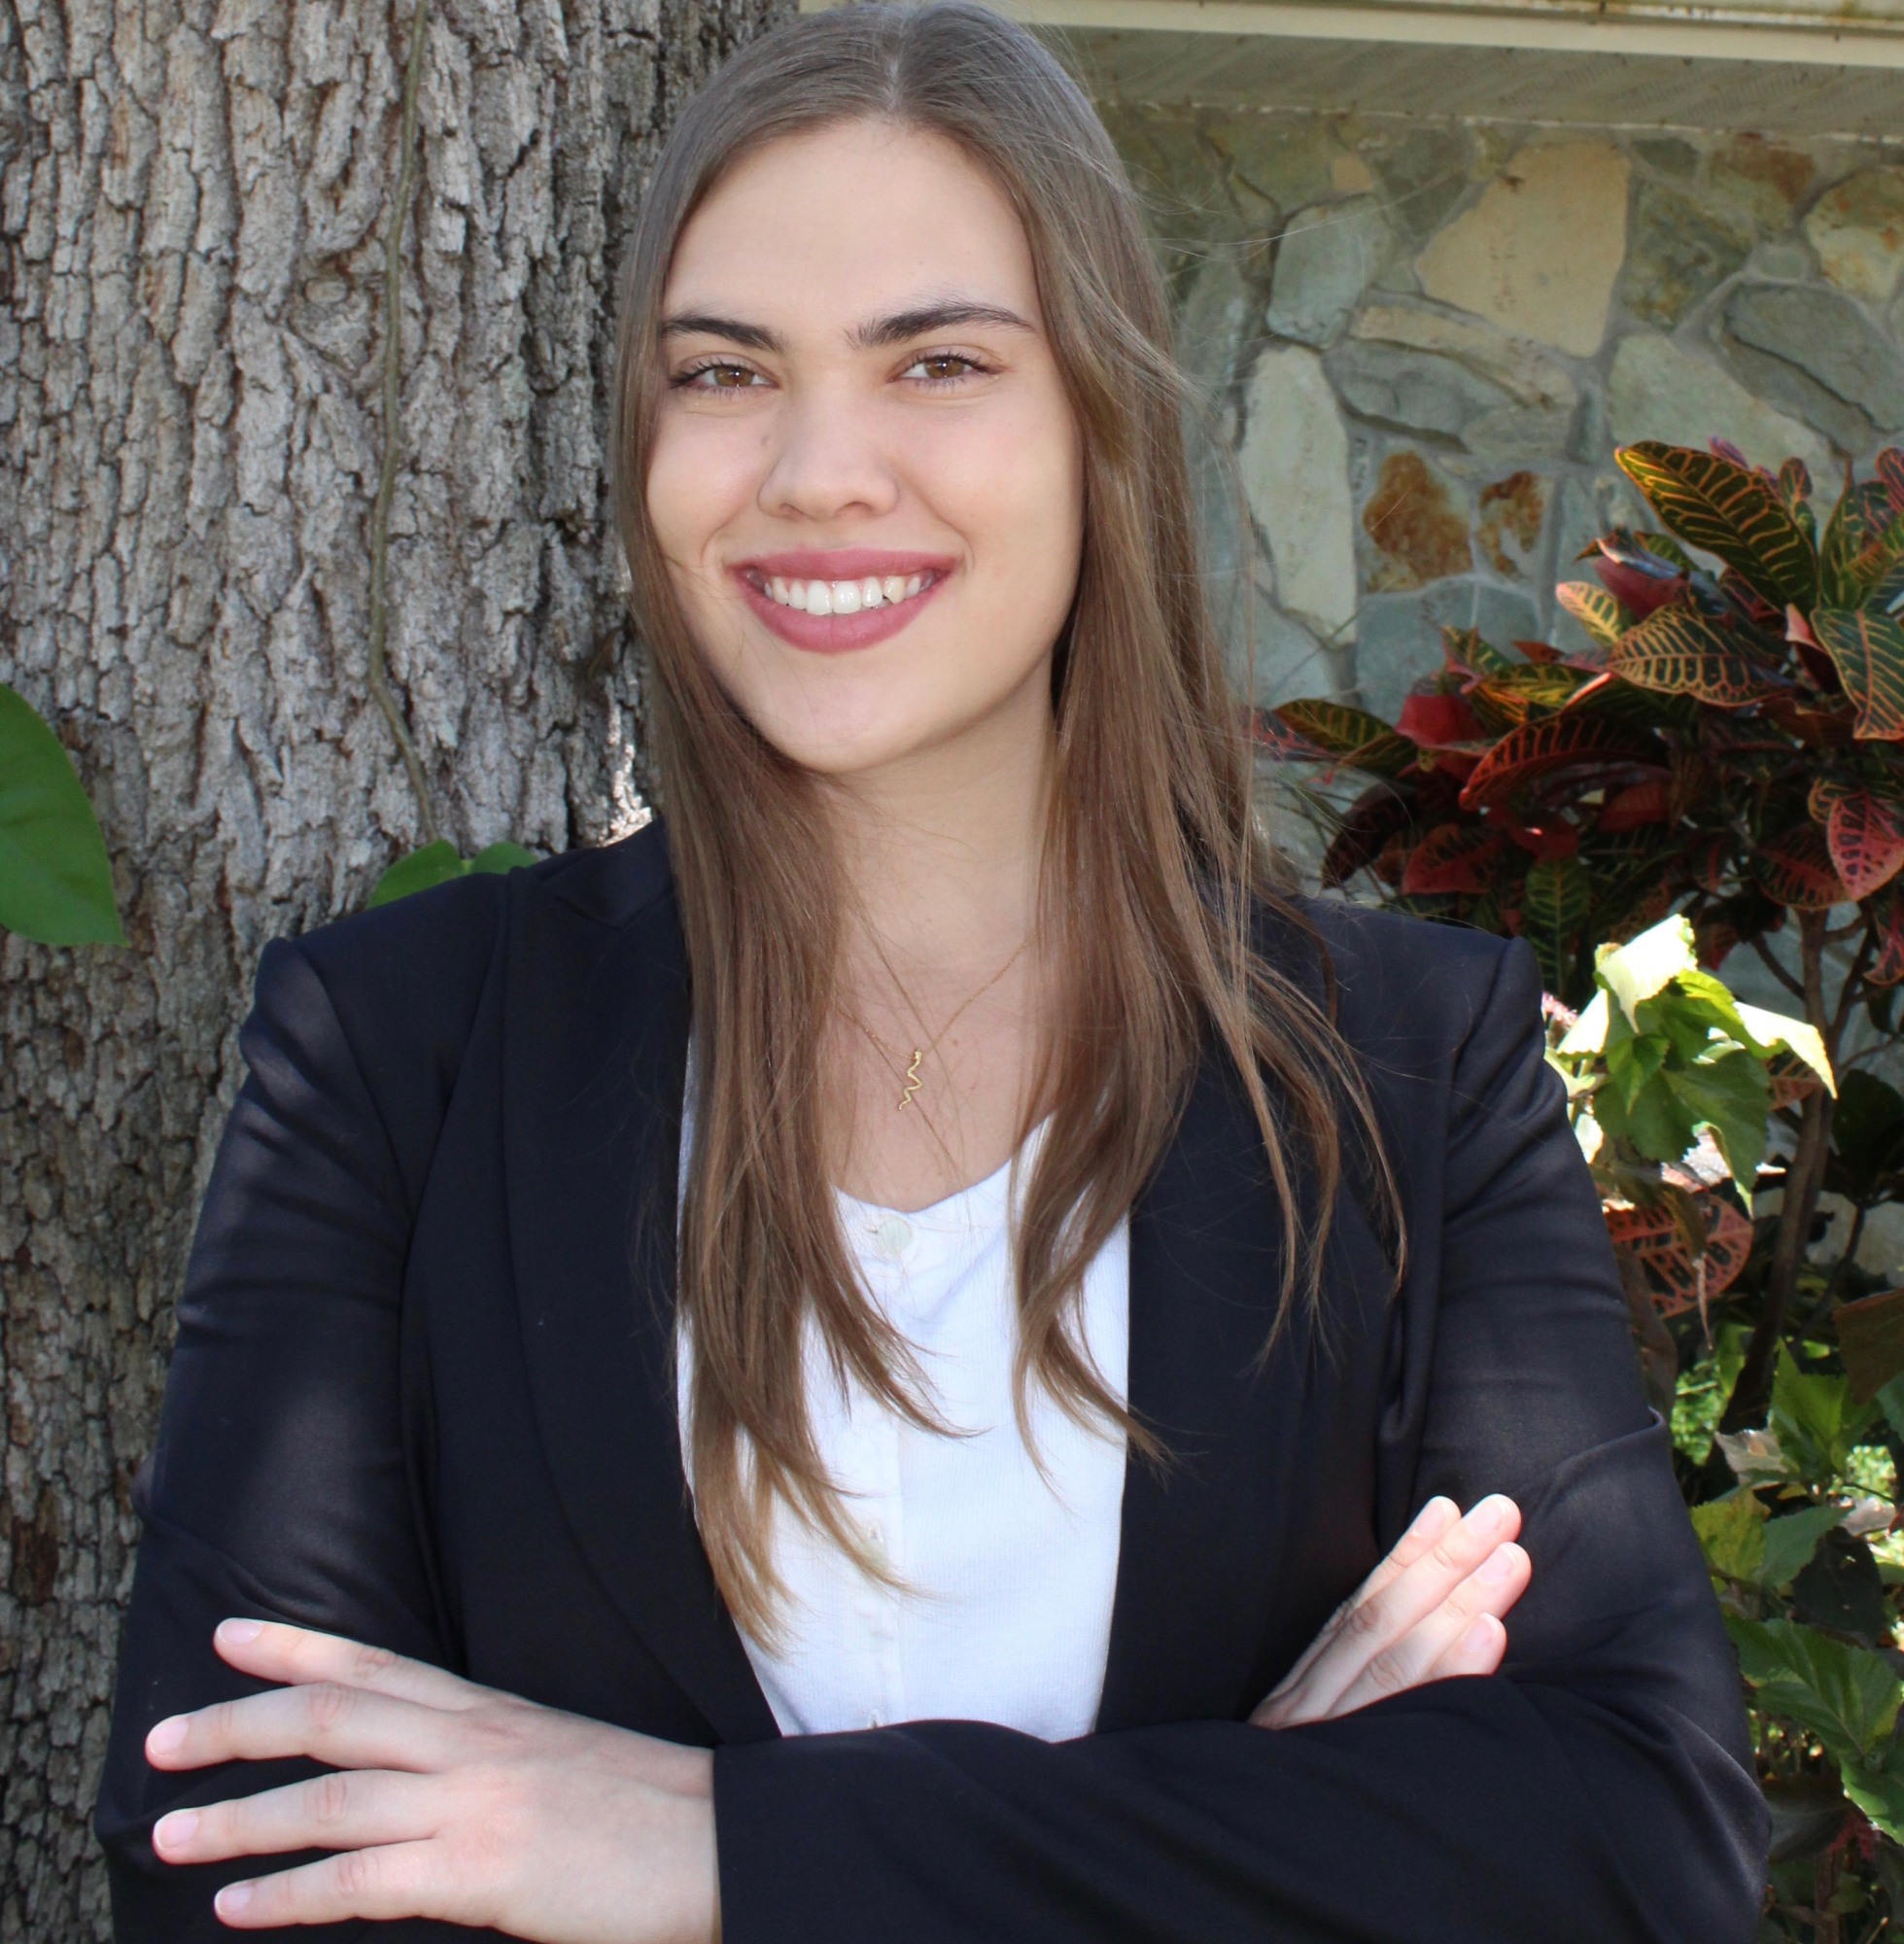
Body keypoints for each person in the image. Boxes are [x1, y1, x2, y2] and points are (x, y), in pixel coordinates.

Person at [94, 3, 1768, 1936]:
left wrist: (697, 1847)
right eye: (724, 372)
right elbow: (233, 1864)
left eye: (938, 360)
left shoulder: (1404, 1070)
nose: (815, 468)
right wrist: (1258, 1817)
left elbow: (1639, 1842)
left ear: (1098, 427)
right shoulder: (394, 1056)